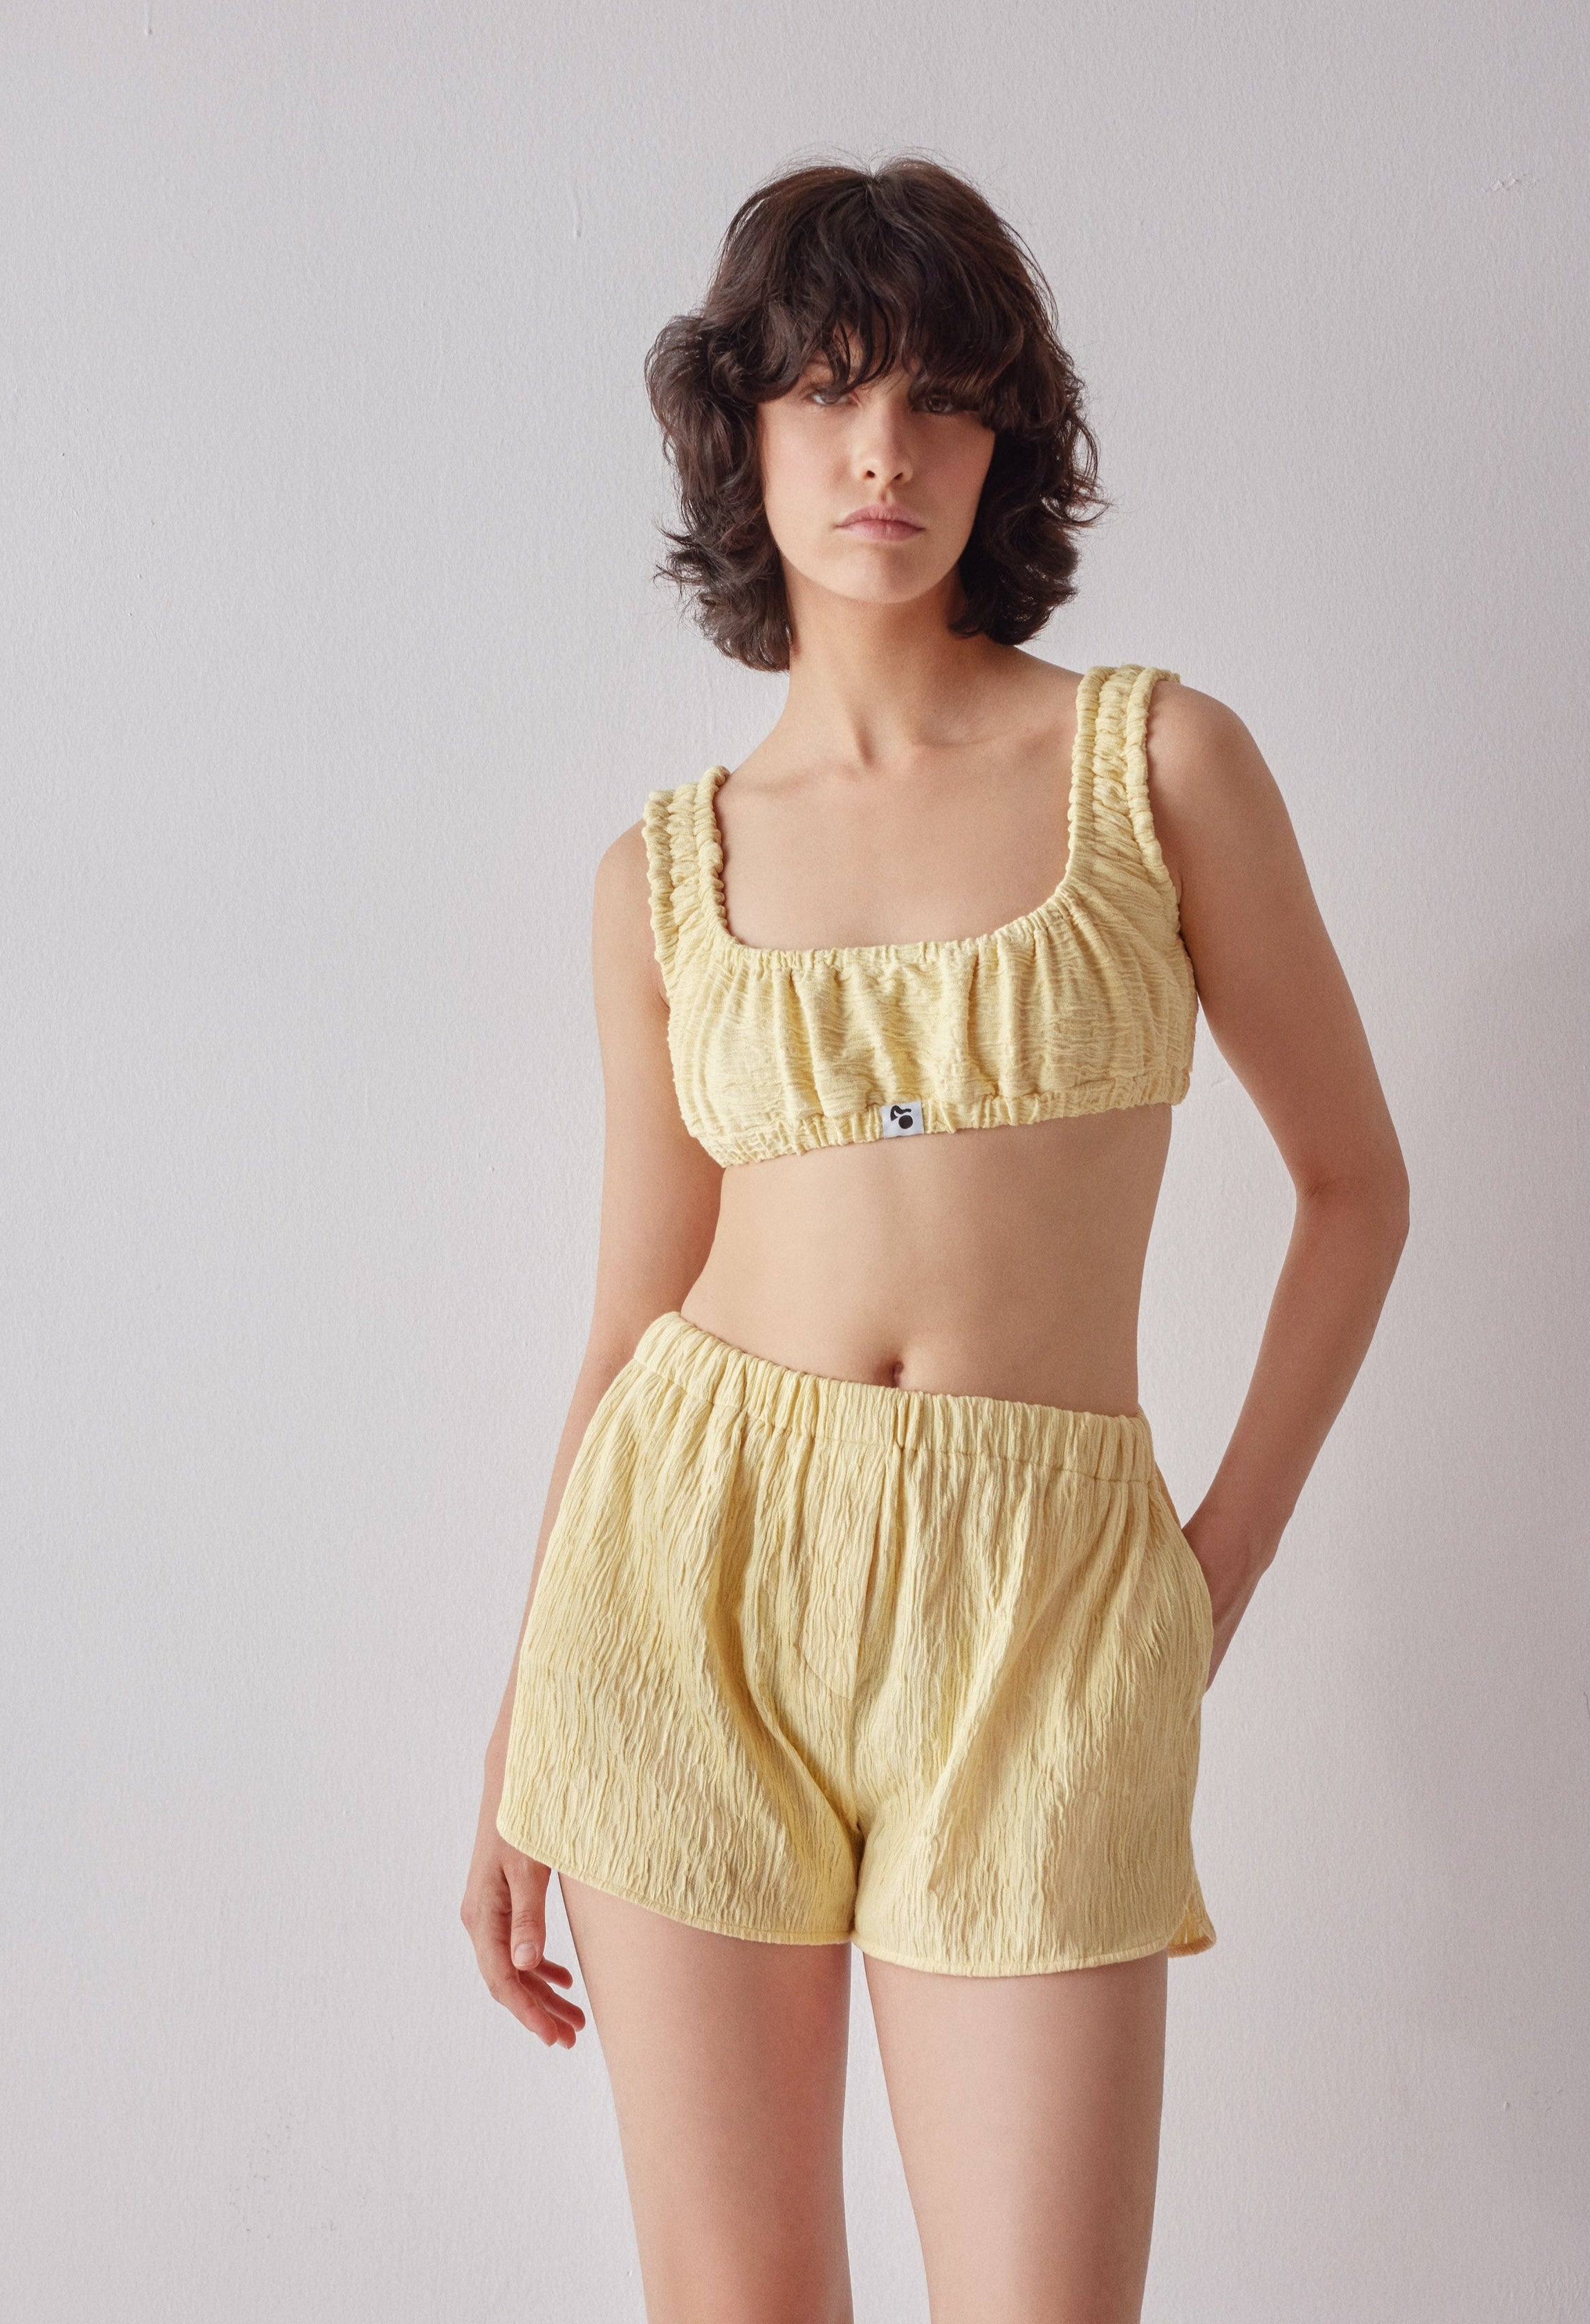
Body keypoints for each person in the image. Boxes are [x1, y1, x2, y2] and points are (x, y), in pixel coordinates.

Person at [461, 156, 1409, 2324]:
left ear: (1005, 446)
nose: (881, 450)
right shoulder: (661, 875)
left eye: (938, 401)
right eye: (824, 393)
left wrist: (1213, 1568)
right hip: (685, 1580)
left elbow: (1357, 1189)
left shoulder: (1159, 767)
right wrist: (526, 1729)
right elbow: (629, 1312)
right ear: (743, 433)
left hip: (1045, 1593)